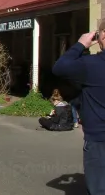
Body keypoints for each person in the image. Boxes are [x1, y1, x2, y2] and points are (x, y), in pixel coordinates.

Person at [52, 27, 105, 194]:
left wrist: (81, 45)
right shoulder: (90, 64)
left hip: (98, 138)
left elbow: (59, 68)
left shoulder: (91, 65)